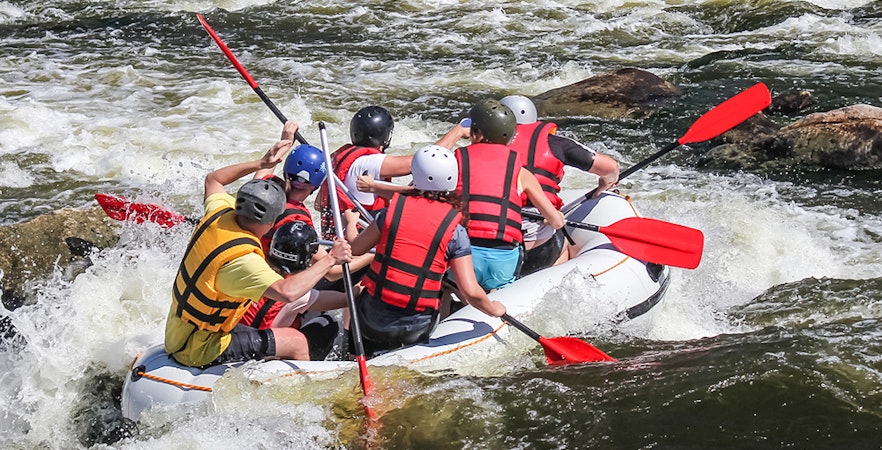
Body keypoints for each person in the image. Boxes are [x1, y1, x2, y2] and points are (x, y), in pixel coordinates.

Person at [164, 138, 353, 368]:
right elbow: (288, 292)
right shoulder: (243, 261)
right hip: (202, 347)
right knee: (297, 342)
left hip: (178, 332)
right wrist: (332, 258)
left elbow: (213, 179)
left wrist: (261, 162)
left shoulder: (219, 213)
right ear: (270, 221)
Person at [344, 145, 506, 355]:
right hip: (415, 328)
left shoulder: (390, 213)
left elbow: (356, 249)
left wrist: (350, 224)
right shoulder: (456, 232)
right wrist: (494, 310)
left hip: (371, 322)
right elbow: (471, 292)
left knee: (359, 292)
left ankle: (350, 354)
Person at [437, 99, 565, 292]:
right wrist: (557, 219)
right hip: (503, 263)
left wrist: (457, 131)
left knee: (446, 288)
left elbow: (428, 161)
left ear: (475, 132)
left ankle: (451, 306)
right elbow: (556, 222)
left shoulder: (457, 160)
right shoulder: (521, 171)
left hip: (465, 259)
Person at [499, 95, 620, 274]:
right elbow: (611, 168)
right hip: (537, 246)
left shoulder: (481, 148)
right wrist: (604, 184)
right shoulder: (555, 144)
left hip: (489, 241)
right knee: (564, 244)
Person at [255, 121, 374, 290]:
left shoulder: (266, 188)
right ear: (316, 185)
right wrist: (372, 253)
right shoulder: (298, 221)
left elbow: (264, 169)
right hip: (281, 283)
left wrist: (285, 141)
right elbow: (332, 272)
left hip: (257, 265)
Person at [239, 221, 350, 361]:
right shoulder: (297, 290)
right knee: (328, 322)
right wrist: (362, 289)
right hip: (264, 351)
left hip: (241, 336)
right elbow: (344, 300)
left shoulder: (255, 267)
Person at [315, 106, 413, 240]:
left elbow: (318, 204)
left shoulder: (336, 158)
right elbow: (426, 160)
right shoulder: (369, 162)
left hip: (333, 240)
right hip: (359, 246)